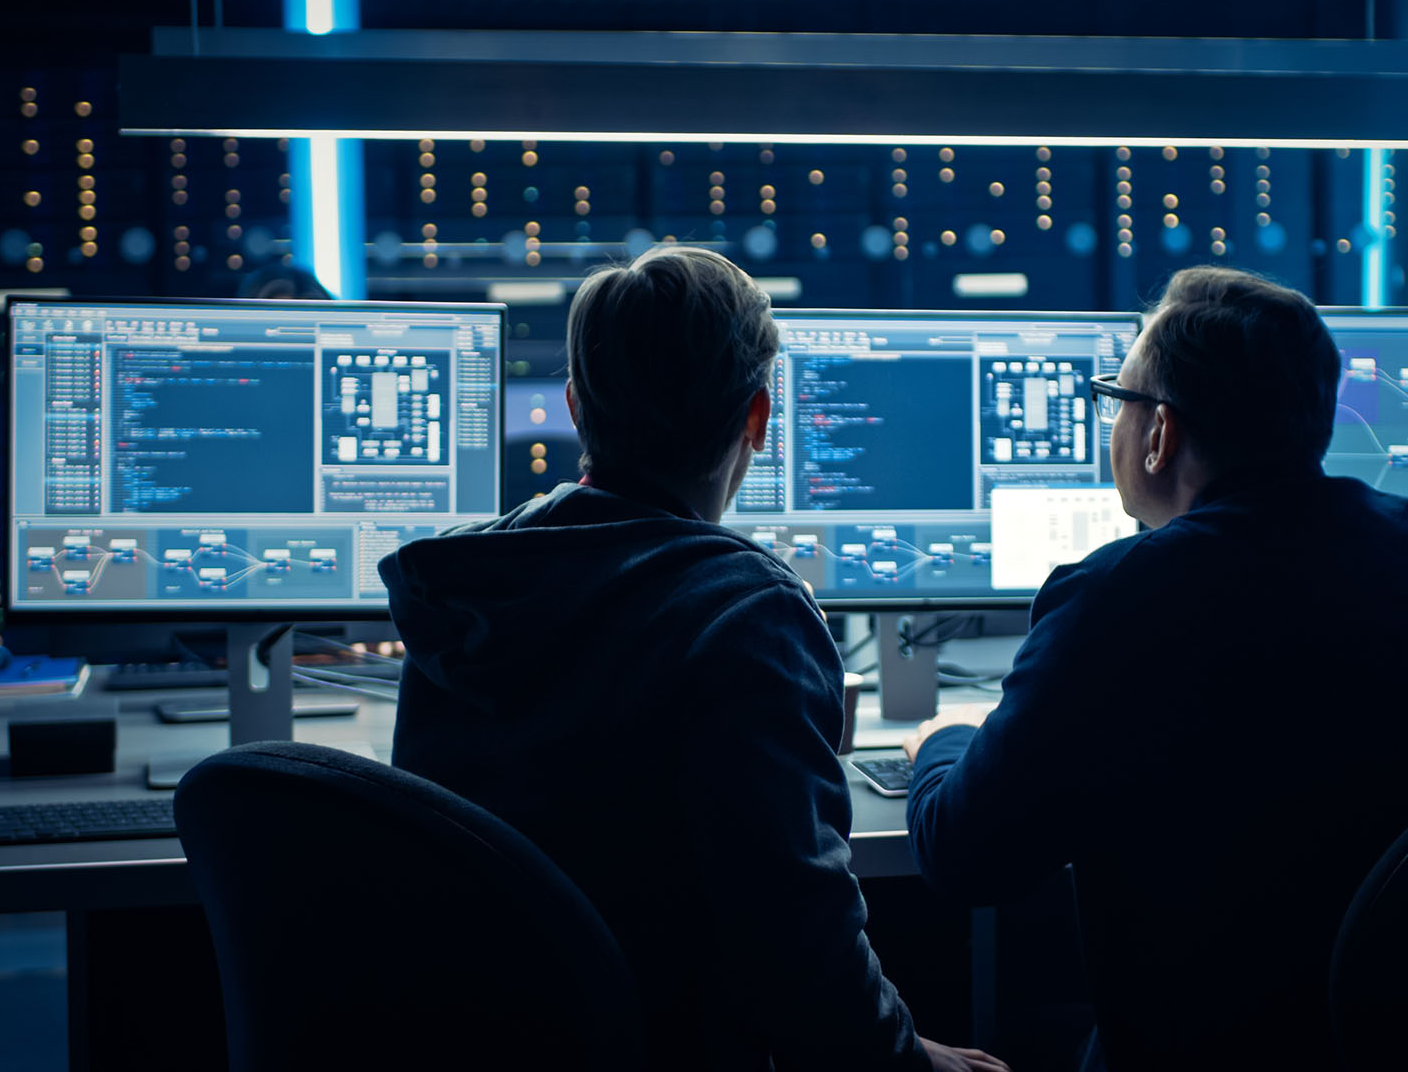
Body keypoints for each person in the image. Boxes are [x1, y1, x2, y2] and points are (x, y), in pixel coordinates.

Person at [903, 266, 1408, 1070]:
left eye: (1119, 397)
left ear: (1159, 432)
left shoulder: (1118, 597)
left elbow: (965, 855)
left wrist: (939, 740)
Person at [379, 246, 1007, 1072]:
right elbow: (802, 953)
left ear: (574, 407)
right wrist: (918, 1061)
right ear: (757, 417)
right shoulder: (748, 614)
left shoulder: (458, 588)